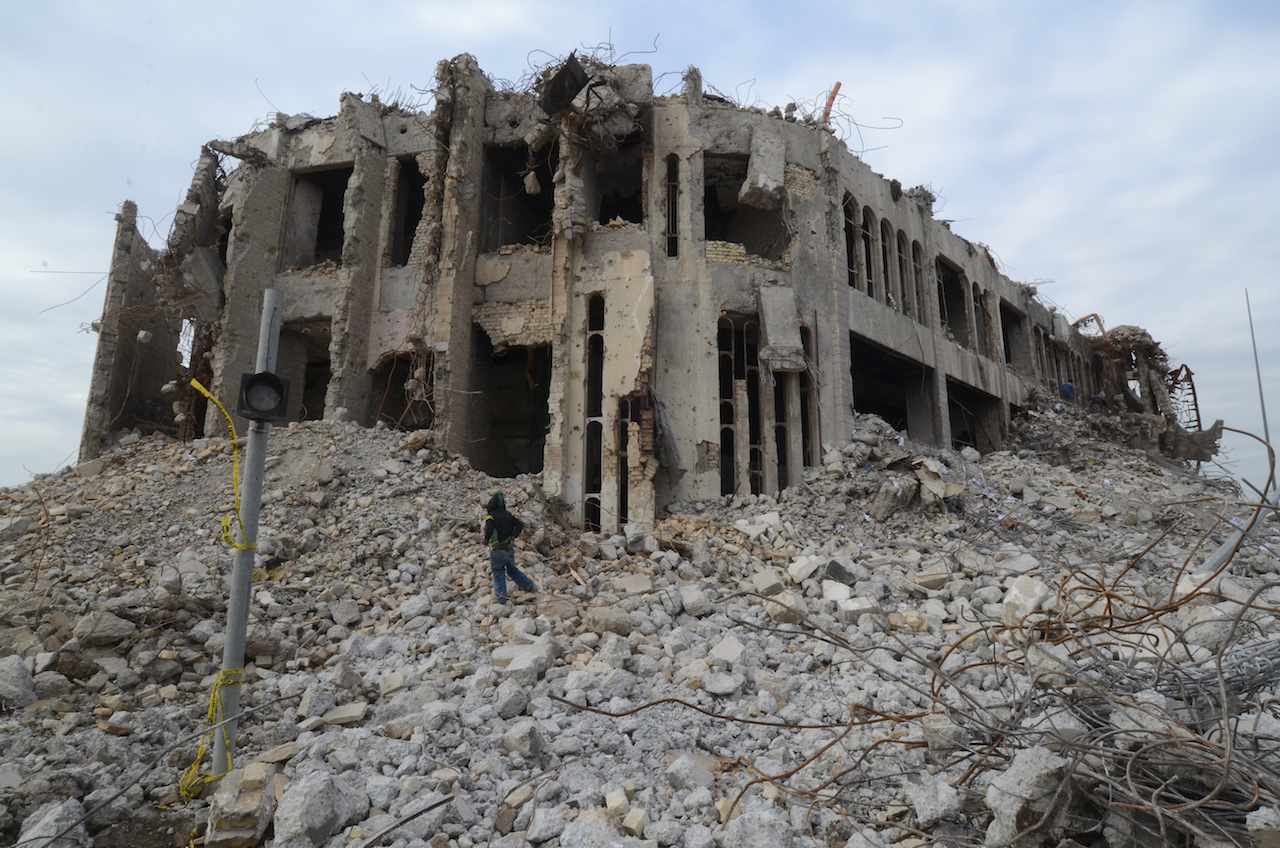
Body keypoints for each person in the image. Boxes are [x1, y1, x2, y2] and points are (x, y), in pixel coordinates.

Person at [482, 492, 535, 605]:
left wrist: (486, 540)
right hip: (509, 549)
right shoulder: (508, 515)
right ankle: (529, 585)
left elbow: (489, 530)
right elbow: (520, 525)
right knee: (512, 570)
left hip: (497, 550)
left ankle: (501, 599)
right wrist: (512, 537)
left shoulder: (491, 516)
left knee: (498, 573)